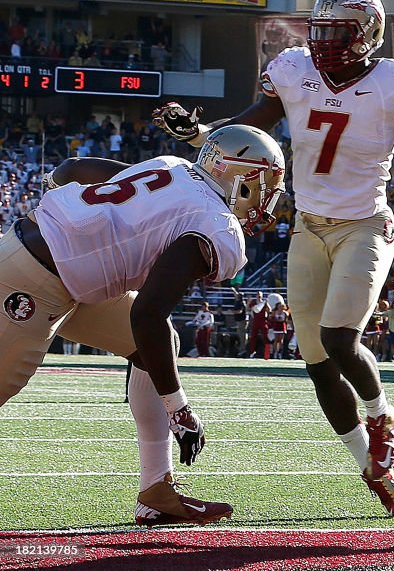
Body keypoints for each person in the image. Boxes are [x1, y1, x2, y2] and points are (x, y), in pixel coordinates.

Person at [151, 0, 394, 518]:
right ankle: (371, 468)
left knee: (340, 337)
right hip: (308, 228)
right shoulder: (294, 70)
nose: (326, 43)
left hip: (364, 226)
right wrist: (199, 133)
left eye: (339, 33)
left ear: (368, 35)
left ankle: (382, 415)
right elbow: (246, 129)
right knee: (317, 364)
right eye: (320, 32)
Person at [0, 124, 285, 526]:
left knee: (157, 345)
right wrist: (179, 409)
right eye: (264, 183)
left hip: (60, 273)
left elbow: (73, 167)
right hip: (30, 281)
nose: (267, 198)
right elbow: (146, 313)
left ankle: (156, 492)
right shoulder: (216, 223)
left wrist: (64, 203)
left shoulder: (173, 166)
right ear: (239, 177)